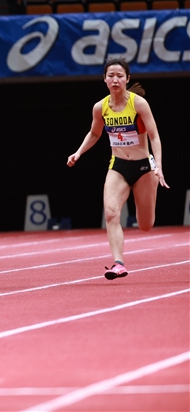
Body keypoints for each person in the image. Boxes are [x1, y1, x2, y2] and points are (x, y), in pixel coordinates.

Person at [67, 57, 168, 280]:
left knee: (145, 225)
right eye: (111, 75)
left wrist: (158, 166)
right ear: (104, 79)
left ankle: (148, 198)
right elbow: (94, 134)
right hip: (118, 166)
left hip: (144, 168)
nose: (115, 80)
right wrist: (78, 152)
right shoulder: (100, 107)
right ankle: (118, 263)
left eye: (119, 76)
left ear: (127, 79)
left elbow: (155, 136)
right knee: (111, 213)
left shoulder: (138, 104)